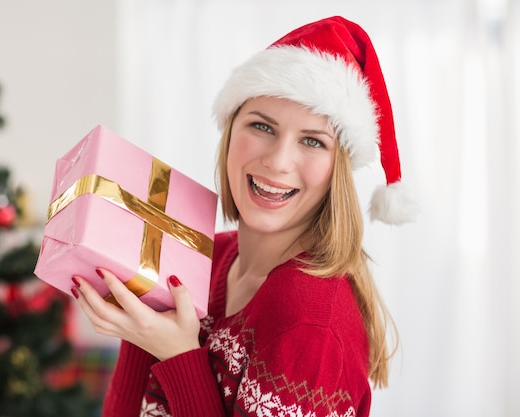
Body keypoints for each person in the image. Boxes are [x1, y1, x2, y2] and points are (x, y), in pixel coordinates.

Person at [70, 15, 417, 417]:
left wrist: (179, 356)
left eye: (312, 141)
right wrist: (137, 323)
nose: (278, 160)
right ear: (230, 132)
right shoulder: (207, 256)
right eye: (262, 126)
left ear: (336, 170)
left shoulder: (310, 321)